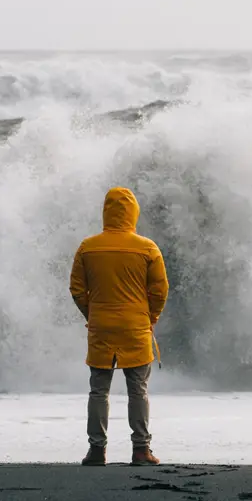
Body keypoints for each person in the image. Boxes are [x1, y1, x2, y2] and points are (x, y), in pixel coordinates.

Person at [69, 187, 169, 466]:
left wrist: (93, 313)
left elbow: (77, 289)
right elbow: (160, 291)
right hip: (136, 327)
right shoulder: (147, 248)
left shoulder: (88, 247)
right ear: (133, 213)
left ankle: (96, 451)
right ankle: (141, 450)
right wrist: (152, 317)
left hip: (101, 327)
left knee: (98, 390)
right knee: (138, 390)